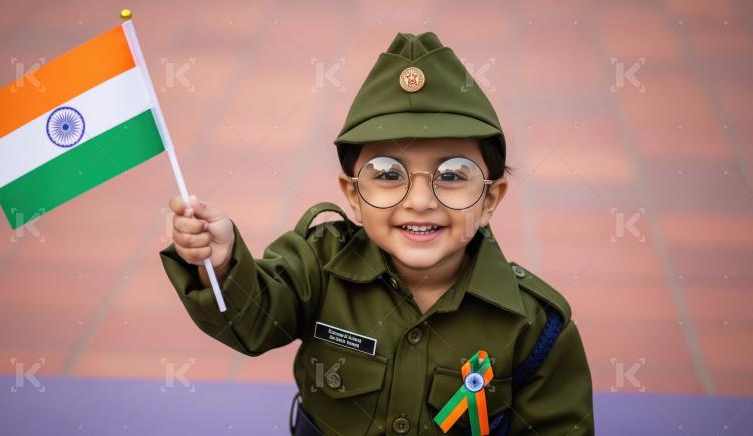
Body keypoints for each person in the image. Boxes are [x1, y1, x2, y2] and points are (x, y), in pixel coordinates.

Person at [160, 32, 593, 436]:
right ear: (352, 194)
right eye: (388, 173)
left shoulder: (536, 327)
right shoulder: (318, 263)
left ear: (490, 199)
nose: (420, 200)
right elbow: (251, 323)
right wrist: (220, 263)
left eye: (452, 174)